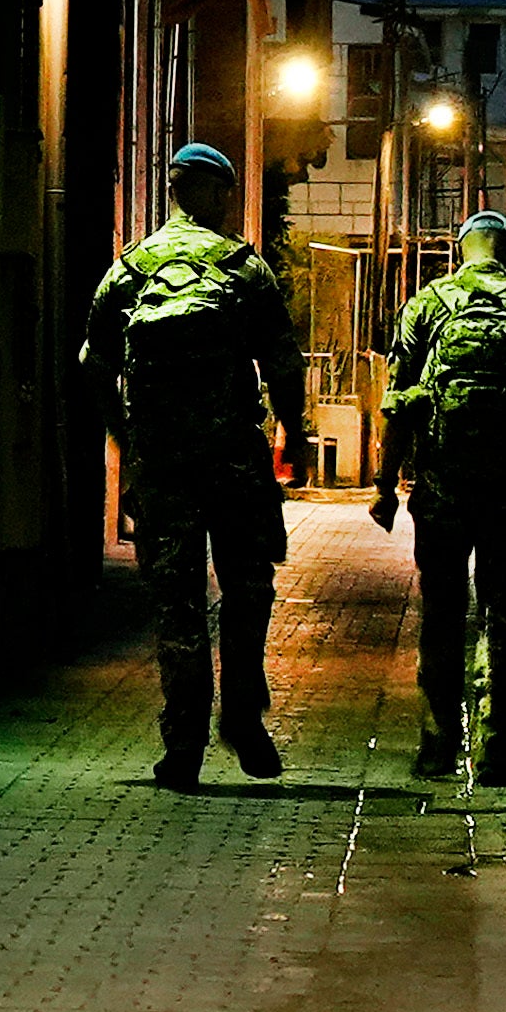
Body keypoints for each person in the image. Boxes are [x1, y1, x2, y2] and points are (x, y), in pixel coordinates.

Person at [73, 141, 310, 789]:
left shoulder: (132, 267)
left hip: (164, 469)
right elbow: (282, 362)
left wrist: (128, 440)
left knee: (177, 603)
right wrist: (296, 435)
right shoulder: (242, 266)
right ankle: (243, 718)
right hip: (233, 459)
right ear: (215, 191)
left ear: (175, 190)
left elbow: (94, 365)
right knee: (248, 589)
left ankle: (184, 743)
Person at [368, 211, 506, 783]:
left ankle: (437, 747)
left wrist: (386, 486)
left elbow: (398, 404)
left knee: (441, 614)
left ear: (462, 252)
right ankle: (494, 753)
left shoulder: (427, 307)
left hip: (441, 489)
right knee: (504, 613)